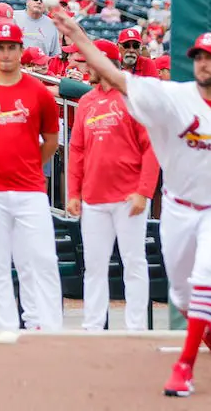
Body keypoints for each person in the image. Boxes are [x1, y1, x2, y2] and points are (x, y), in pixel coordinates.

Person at [51, 13, 211, 398]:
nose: (203, 63)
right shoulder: (173, 98)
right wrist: (77, 35)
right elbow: (114, 76)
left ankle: (184, 367)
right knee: (180, 294)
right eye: (198, 57)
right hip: (178, 207)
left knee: (207, 270)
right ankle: (204, 325)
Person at [0, 21, 63, 333]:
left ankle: (44, 324)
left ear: (20, 51)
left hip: (30, 188)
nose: (5, 54)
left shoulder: (38, 93)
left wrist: (28, 165)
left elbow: (52, 141)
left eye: (11, 47)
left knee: (40, 257)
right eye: (0, 47)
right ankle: (6, 325)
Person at [67, 39, 159, 332]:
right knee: (94, 266)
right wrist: (73, 192)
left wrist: (144, 191)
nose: (85, 67)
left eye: (89, 62)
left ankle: (136, 327)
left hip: (128, 196)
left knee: (133, 263)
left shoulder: (132, 97)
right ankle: (93, 325)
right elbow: (77, 149)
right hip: (94, 198)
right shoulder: (86, 102)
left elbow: (151, 147)